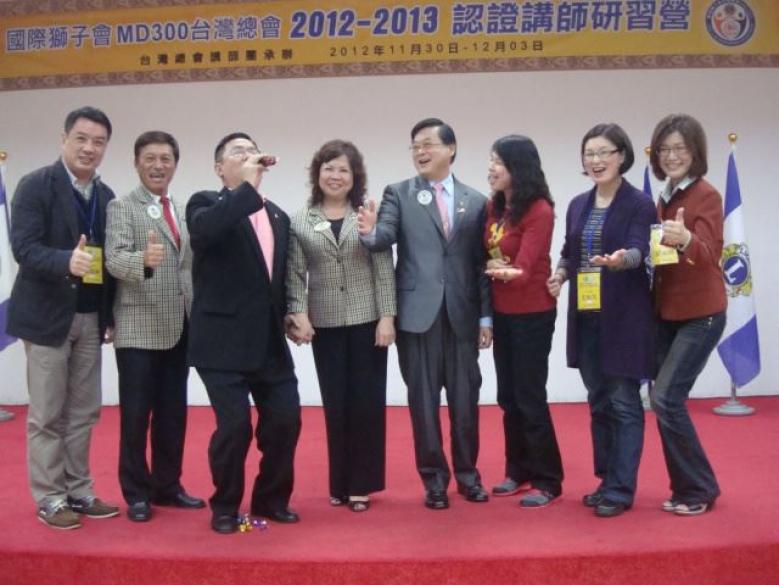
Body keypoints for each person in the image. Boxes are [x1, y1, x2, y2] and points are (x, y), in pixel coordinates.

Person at [358, 118, 492, 510]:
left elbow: (482, 263)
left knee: (466, 402)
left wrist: (486, 318)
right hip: (417, 317)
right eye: (415, 146)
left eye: (428, 144)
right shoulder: (398, 193)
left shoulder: (476, 200)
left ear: (451, 148)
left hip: (462, 315)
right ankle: (434, 480)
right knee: (423, 403)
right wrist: (369, 233)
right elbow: (383, 237)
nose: (420, 152)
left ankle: (468, 476)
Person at [6, 106, 119, 529]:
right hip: (46, 317)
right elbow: (23, 248)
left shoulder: (105, 196)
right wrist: (64, 261)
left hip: (90, 317)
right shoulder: (36, 185)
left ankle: (78, 489)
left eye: (99, 142)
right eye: (82, 138)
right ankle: (50, 497)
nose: (90, 148)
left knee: (84, 411)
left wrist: (108, 314)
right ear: (64, 140)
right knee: (48, 413)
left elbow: (105, 262)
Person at [186, 132, 301, 534]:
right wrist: (247, 189)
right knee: (234, 427)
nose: (249, 156)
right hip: (221, 344)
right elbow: (207, 233)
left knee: (285, 420)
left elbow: (279, 278)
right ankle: (225, 506)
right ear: (220, 168)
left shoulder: (278, 216)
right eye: (239, 152)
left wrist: (292, 313)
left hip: (269, 343)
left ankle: (271, 499)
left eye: (253, 150)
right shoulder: (204, 204)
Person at [547, 123, 655, 517]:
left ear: (622, 156)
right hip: (586, 317)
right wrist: (560, 274)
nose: (595, 160)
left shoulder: (639, 203)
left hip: (624, 319)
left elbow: (641, 250)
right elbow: (569, 251)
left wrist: (621, 260)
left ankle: (621, 489)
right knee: (598, 401)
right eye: (589, 154)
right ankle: (606, 480)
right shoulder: (578, 203)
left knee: (624, 402)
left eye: (604, 152)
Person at [286, 139, 396, 513]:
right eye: (329, 168)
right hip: (326, 322)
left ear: (355, 177)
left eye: (343, 169)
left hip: (368, 320)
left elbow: (383, 267)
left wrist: (387, 316)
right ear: (317, 173)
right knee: (336, 403)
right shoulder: (301, 219)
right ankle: (340, 483)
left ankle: (361, 485)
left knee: (367, 403)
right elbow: (294, 272)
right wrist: (298, 312)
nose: (335, 175)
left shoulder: (366, 214)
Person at [105, 131, 205, 522]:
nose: (158, 166)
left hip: (179, 325)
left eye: (166, 159)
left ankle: (168, 486)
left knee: (172, 413)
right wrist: (142, 261)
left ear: (175, 164)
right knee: (135, 416)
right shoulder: (121, 206)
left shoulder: (181, 209)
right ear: (136, 163)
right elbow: (114, 258)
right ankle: (136, 493)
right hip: (138, 327)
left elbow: (188, 267)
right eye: (150, 158)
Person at [648, 114, 726, 516]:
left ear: (695, 152)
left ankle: (698, 489)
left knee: (665, 398)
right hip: (668, 312)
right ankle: (685, 487)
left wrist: (687, 239)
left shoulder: (706, 195)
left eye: (679, 148)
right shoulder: (666, 195)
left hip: (702, 314)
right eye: (664, 149)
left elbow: (711, 253)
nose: (671, 156)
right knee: (662, 399)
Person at [483, 135, 564, 508]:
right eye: (490, 160)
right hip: (503, 312)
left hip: (533, 313)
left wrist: (499, 270)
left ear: (519, 167)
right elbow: (487, 254)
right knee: (508, 396)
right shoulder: (495, 207)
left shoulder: (539, 210)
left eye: (498, 161)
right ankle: (518, 470)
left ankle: (548, 480)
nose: (491, 168)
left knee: (530, 397)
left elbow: (525, 268)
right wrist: (491, 267)